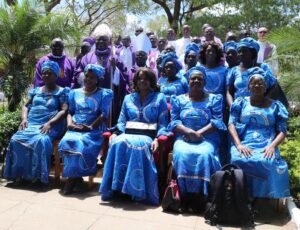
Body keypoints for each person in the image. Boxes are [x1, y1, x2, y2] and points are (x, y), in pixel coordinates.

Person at [100, 68, 169, 205]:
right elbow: (121, 120)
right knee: (117, 143)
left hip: (147, 136)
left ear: (151, 81)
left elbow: (163, 123)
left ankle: (135, 191)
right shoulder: (127, 98)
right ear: (136, 81)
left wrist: (157, 138)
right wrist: (115, 133)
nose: (143, 81)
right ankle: (117, 189)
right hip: (128, 133)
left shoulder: (159, 98)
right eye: (140, 79)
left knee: (139, 147)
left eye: (146, 78)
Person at [169, 66, 226, 212]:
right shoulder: (179, 99)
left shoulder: (214, 99)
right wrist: (188, 132)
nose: (196, 81)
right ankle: (184, 196)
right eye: (193, 78)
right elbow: (174, 122)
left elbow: (217, 121)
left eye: (199, 79)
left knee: (204, 155)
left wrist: (199, 133)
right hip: (184, 137)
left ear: (205, 82)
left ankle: (201, 197)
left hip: (208, 137)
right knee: (182, 154)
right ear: (187, 82)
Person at [5, 61, 68, 184]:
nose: (46, 76)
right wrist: (24, 118)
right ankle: (19, 174)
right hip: (32, 123)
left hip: (51, 125)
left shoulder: (62, 92)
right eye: (44, 73)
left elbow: (64, 110)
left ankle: (38, 176)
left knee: (41, 140)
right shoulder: (36, 91)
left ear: (55, 75)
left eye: (49, 73)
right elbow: (25, 106)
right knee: (15, 139)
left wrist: (50, 123)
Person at [228, 72, 290, 199]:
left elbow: (283, 131)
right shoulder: (240, 102)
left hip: (267, 142)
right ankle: (241, 194)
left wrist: (272, 146)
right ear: (248, 87)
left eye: (260, 83)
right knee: (238, 159)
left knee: (265, 161)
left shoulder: (276, 106)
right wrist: (239, 144)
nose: (257, 85)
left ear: (265, 87)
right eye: (253, 83)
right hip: (245, 140)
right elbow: (231, 124)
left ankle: (258, 197)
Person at [58, 64, 113, 195]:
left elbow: (103, 115)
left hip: (94, 129)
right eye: (87, 76)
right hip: (74, 128)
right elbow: (70, 111)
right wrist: (70, 124)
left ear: (97, 80)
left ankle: (71, 180)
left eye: (92, 77)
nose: (88, 79)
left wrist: (90, 127)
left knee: (80, 144)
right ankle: (76, 178)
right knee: (67, 141)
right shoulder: (74, 93)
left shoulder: (103, 94)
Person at [75, 25, 128, 125]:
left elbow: (124, 78)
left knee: (108, 117)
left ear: (109, 42)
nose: (101, 42)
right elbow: (78, 73)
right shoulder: (86, 58)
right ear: (95, 41)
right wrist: (84, 77)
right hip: (90, 94)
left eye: (104, 40)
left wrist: (115, 69)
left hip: (109, 96)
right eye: (99, 40)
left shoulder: (115, 58)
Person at [226, 37, 277, 107]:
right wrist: (232, 106)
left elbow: (273, 87)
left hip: (259, 108)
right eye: (239, 51)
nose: (241, 54)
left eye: (244, 51)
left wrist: (264, 102)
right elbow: (229, 92)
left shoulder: (263, 67)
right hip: (239, 108)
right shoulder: (234, 70)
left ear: (252, 53)